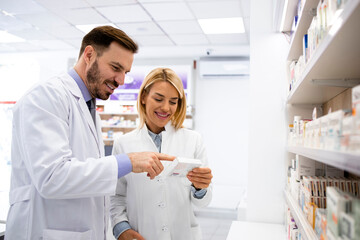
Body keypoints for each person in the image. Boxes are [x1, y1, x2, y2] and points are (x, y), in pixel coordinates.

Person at [5, 26, 174, 240]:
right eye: (115, 67)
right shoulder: (45, 97)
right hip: (42, 231)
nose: (121, 80)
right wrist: (127, 162)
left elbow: (87, 176)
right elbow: (51, 177)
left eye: (125, 72)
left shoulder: (89, 107)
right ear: (89, 55)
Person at [110, 68, 213, 240]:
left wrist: (200, 188)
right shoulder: (123, 143)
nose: (166, 108)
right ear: (143, 97)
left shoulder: (193, 140)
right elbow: (116, 196)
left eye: (173, 102)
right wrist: (121, 228)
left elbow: (203, 202)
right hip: (140, 234)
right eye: (158, 99)